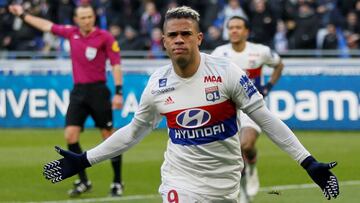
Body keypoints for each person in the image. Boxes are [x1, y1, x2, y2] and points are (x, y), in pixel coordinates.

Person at [43, 6, 339, 203]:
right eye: (173, 35)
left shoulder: (226, 73)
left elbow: (266, 119)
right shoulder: (157, 84)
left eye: (186, 34)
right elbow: (134, 131)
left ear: (198, 38)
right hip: (179, 180)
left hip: (224, 182)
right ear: (163, 41)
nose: (179, 39)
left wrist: (308, 162)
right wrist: (84, 160)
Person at [8, 4, 125, 197]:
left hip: (98, 91)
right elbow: (46, 25)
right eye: (83, 17)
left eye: (89, 16)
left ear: (94, 17)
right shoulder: (71, 33)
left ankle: (117, 182)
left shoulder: (105, 37)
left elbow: (116, 64)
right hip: (78, 92)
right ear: (76, 20)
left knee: (109, 137)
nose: (86, 20)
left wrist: (119, 91)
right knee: (70, 136)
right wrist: (22, 15)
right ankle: (84, 181)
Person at [211, 16, 284, 202]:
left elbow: (279, 64)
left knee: (246, 145)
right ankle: (243, 192)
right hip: (227, 109)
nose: (234, 31)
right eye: (231, 28)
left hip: (251, 107)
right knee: (235, 155)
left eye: (238, 27)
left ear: (246, 31)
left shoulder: (260, 52)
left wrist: (268, 87)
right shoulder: (219, 53)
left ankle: (252, 167)